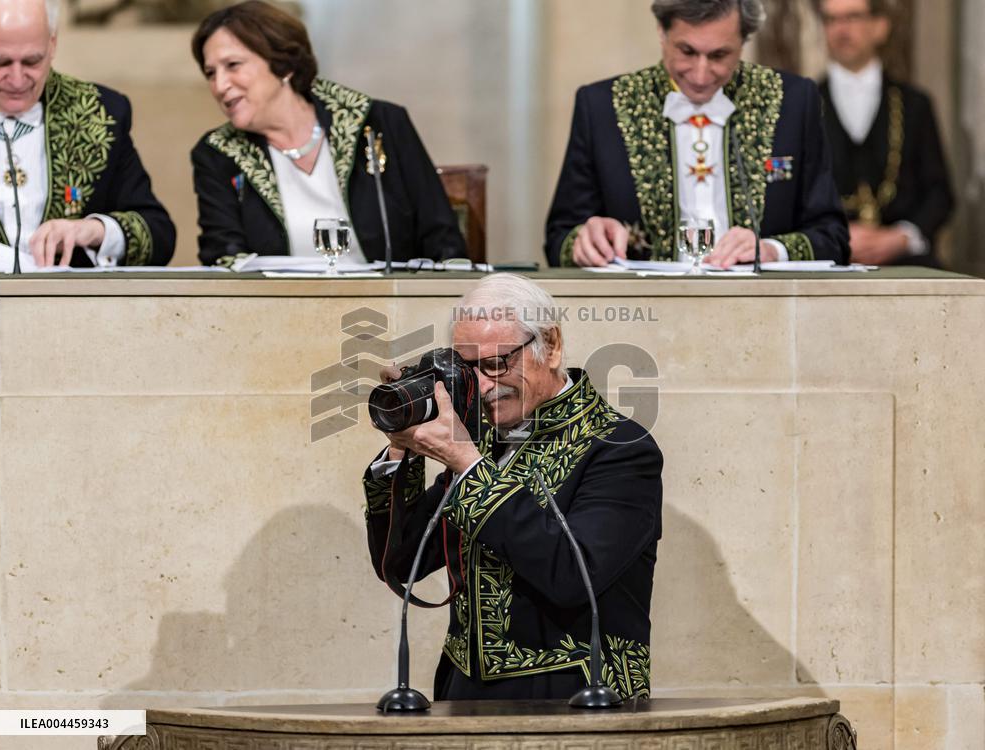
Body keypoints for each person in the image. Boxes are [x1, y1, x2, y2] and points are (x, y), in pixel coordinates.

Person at [363, 274, 663, 700]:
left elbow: (572, 577)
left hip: (577, 691)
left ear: (551, 346)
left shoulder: (621, 448)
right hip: (462, 690)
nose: (482, 385)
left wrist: (467, 465)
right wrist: (401, 452)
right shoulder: (481, 443)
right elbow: (401, 561)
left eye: (496, 363)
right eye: (466, 368)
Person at [545, 0, 849, 269]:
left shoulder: (793, 101)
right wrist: (586, 241)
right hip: (643, 317)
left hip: (763, 312)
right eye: (687, 51)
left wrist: (772, 250)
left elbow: (833, 237)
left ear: (744, 41)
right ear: (662, 33)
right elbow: (559, 239)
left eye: (719, 55)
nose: (701, 74)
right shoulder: (603, 106)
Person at [190, 1, 466, 267]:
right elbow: (222, 257)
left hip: (389, 310)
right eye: (210, 73)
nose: (220, 85)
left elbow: (443, 239)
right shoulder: (217, 154)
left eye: (233, 65)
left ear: (283, 64)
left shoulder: (379, 123)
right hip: (278, 312)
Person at [0, 0, 175, 268]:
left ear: (52, 45)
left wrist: (95, 231)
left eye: (32, 61)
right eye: (0, 62)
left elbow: (158, 235)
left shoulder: (100, 113)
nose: (17, 79)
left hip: (75, 307)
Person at [815, 0, 954, 266]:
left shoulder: (915, 104)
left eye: (853, 17)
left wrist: (901, 237)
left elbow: (939, 192)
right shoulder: (803, 105)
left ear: (880, 27)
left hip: (906, 261)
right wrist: (832, 236)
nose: (841, 30)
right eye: (831, 20)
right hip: (826, 262)